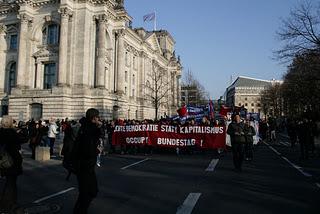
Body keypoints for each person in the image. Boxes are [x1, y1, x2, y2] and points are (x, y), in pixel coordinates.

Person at [73, 108, 104, 214]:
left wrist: (99, 127)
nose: (99, 119)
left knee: (91, 191)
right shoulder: (87, 130)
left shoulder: (88, 127)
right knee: (86, 193)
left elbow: (98, 135)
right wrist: (97, 150)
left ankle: (81, 211)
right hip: (84, 166)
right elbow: (86, 150)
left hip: (87, 166)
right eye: (98, 117)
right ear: (94, 118)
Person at [0, 115, 28, 213]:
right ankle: (9, 205)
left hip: (3, 161)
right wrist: (24, 129)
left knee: (8, 182)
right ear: (10, 123)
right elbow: (24, 139)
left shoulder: (1, 132)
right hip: (12, 162)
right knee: (11, 184)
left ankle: (5, 203)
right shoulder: (11, 133)